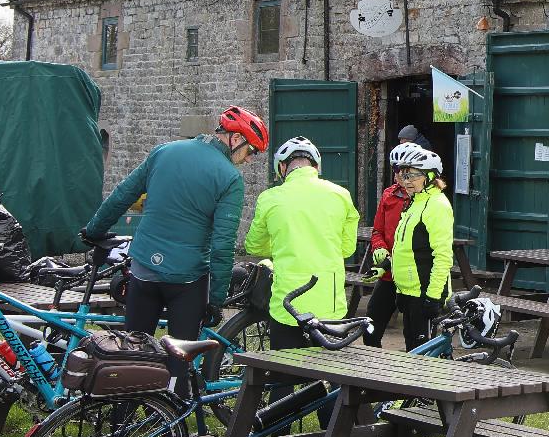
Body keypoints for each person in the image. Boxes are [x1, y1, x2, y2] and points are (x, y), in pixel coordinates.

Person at [82, 106, 267, 355]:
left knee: (134, 354)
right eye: (251, 150)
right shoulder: (229, 178)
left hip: (143, 270)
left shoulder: (164, 151)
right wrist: (216, 299)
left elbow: (123, 195)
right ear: (235, 138)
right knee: (180, 358)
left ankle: (135, 392)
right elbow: (222, 245)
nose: (249, 159)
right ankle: (174, 389)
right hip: (187, 279)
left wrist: (94, 230)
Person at [242, 137, 359, 348]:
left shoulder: (269, 198)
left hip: (286, 305)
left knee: (283, 376)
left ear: (282, 166)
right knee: (327, 373)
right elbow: (347, 249)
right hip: (329, 305)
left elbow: (253, 246)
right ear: (316, 166)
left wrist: (283, 246)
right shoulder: (341, 195)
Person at [366, 145, 453, 349]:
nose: (406, 181)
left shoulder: (437, 205)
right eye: (404, 175)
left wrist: (433, 297)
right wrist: (385, 266)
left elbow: (443, 256)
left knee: (421, 359)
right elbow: (406, 250)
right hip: (407, 291)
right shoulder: (414, 202)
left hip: (423, 292)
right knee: (411, 350)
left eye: (413, 175)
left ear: (430, 176)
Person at [362, 139, 427, 332]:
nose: (398, 174)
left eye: (404, 169)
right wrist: (380, 247)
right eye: (396, 169)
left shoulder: (428, 201)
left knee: (413, 335)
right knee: (371, 326)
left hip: (414, 277)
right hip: (389, 274)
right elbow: (378, 231)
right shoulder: (389, 195)